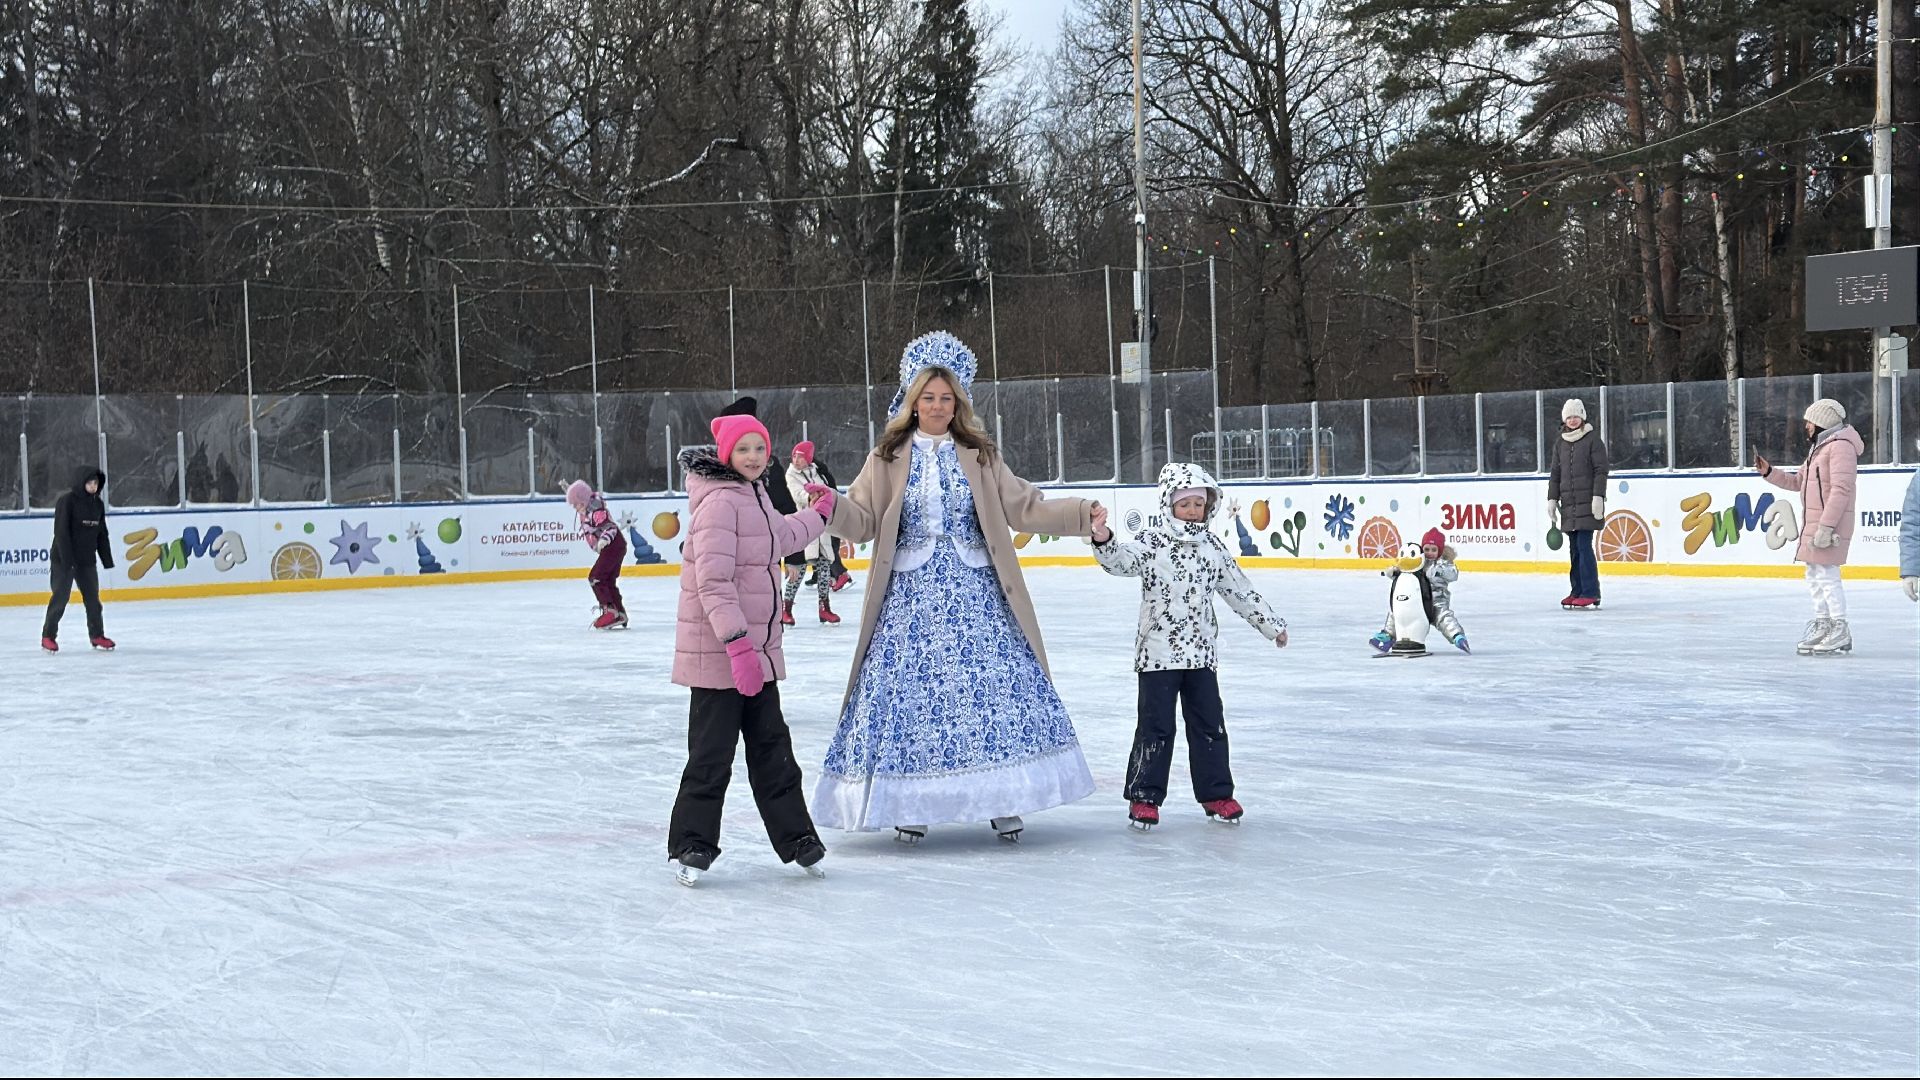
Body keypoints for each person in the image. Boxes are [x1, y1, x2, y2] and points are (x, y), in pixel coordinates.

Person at [812, 331, 1101, 843]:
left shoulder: (979, 453)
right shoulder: (886, 456)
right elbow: (861, 521)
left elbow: (1024, 507)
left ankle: (1006, 798)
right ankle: (909, 802)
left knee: (995, 688)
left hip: (976, 591)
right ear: (912, 400)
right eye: (928, 397)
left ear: (959, 402)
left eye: (947, 398)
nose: (938, 406)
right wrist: (829, 505)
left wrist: (1081, 514)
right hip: (910, 596)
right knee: (909, 696)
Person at [667, 412, 832, 885]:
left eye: (760, 448)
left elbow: (779, 536)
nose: (755, 458)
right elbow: (713, 584)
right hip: (722, 656)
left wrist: (819, 515)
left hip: (755, 654)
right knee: (711, 756)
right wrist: (738, 647)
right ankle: (692, 845)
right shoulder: (719, 503)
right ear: (726, 455)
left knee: (773, 750)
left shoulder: (753, 495)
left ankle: (798, 838)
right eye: (744, 450)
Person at [1090, 462, 1286, 831]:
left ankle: (1217, 795)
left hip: (1200, 655)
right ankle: (1144, 796)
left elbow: (1237, 589)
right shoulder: (1153, 541)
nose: (1193, 510)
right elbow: (1121, 562)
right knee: (1156, 728)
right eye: (1185, 504)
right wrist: (1103, 539)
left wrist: (1270, 624)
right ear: (1169, 504)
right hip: (1157, 654)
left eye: (1199, 503)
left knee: (1210, 725)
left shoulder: (1212, 546)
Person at [1757, 398, 1862, 655]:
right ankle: (1823, 623)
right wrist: (1769, 472)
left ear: (1822, 422)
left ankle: (1839, 627)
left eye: (1809, 421)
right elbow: (1797, 483)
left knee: (1827, 575)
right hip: (1814, 524)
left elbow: (1841, 490)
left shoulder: (1841, 448)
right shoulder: (1819, 448)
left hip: (1830, 525)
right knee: (1814, 575)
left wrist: (1826, 527)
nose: (1806, 425)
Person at [41, 467, 115, 653]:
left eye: (96, 483)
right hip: (64, 559)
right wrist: (68, 560)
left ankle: (97, 635)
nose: (93, 486)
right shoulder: (67, 502)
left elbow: (101, 533)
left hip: (86, 560)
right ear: (82, 483)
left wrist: (106, 559)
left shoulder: (97, 505)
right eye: (89, 483)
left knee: (93, 600)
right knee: (60, 598)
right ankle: (48, 636)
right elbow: (61, 532)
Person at [1546, 398, 1609, 609]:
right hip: (1569, 506)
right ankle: (1577, 590)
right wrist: (1552, 499)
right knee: (1574, 550)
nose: (1573, 420)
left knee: (1584, 546)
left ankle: (1591, 592)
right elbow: (1555, 474)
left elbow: (1601, 470)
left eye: (1576, 416)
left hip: (1588, 504)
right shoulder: (1560, 443)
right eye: (1569, 417)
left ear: (1582, 418)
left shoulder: (1592, 440)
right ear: (1565, 420)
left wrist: (1598, 497)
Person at [1372, 527, 1469, 653]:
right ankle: (1388, 635)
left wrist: (1439, 572)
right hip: (1418, 600)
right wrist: (1393, 572)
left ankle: (1457, 636)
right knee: (1397, 609)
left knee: (1443, 617)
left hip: (1436, 601)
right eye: (1426, 549)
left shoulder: (1444, 564)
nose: (1430, 553)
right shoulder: (1418, 561)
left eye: (1434, 550)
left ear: (1440, 550)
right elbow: (1404, 569)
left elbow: (1453, 574)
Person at [781, 442, 839, 625]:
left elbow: (828, 489)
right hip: (802, 525)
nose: (796, 460)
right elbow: (797, 494)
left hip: (821, 527)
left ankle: (825, 609)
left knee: (823, 568)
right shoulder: (791, 474)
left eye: (801, 456)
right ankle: (786, 608)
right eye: (794, 456)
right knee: (799, 568)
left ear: (809, 458)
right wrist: (811, 497)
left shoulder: (817, 471)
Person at [565, 480, 627, 630]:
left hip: (613, 544)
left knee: (596, 577)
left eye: (577, 504)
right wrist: (569, 490)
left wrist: (603, 541)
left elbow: (610, 528)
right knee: (607, 579)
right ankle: (619, 613)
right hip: (616, 546)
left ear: (584, 501)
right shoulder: (586, 508)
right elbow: (582, 496)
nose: (575, 508)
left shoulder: (596, 511)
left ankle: (610, 611)